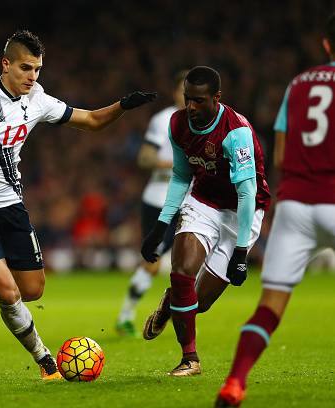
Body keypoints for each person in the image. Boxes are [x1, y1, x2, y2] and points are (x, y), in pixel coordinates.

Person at [0, 30, 156, 380]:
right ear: (5, 64)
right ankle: (45, 361)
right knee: (10, 294)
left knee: (32, 289)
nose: (32, 76)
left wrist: (122, 106)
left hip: (10, 205)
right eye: (26, 68)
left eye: (37, 69)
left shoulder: (36, 99)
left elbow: (91, 121)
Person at [215, 15, 335, 407]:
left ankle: (234, 382)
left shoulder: (298, 86)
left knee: (270, 305)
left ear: (326, 45)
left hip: (295, 205)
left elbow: (282, 155)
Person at [140, 66, 271, 376]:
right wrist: (160, 227)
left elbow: (247, 193)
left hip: (243, 212)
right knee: (182, 270)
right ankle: (190, 359)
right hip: (203, 203)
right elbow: (181, 175)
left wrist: (240, 253)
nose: (191, 107)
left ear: (217, 98)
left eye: (199, 101)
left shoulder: (235, 132)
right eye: (188, 99)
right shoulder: (178, 123)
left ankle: (171, 304)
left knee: (199, 303)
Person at [116, 70, 187, 337]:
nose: (187, 95)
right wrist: (179, 166)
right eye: (182, 89)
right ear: (174, 92)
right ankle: (127, 315)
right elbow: (145, 159)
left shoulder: (206, 120)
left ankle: (176, 313)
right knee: (153, 261)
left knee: (183, 260)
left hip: (188, 202)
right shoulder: (163, 120)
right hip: (159, 200)